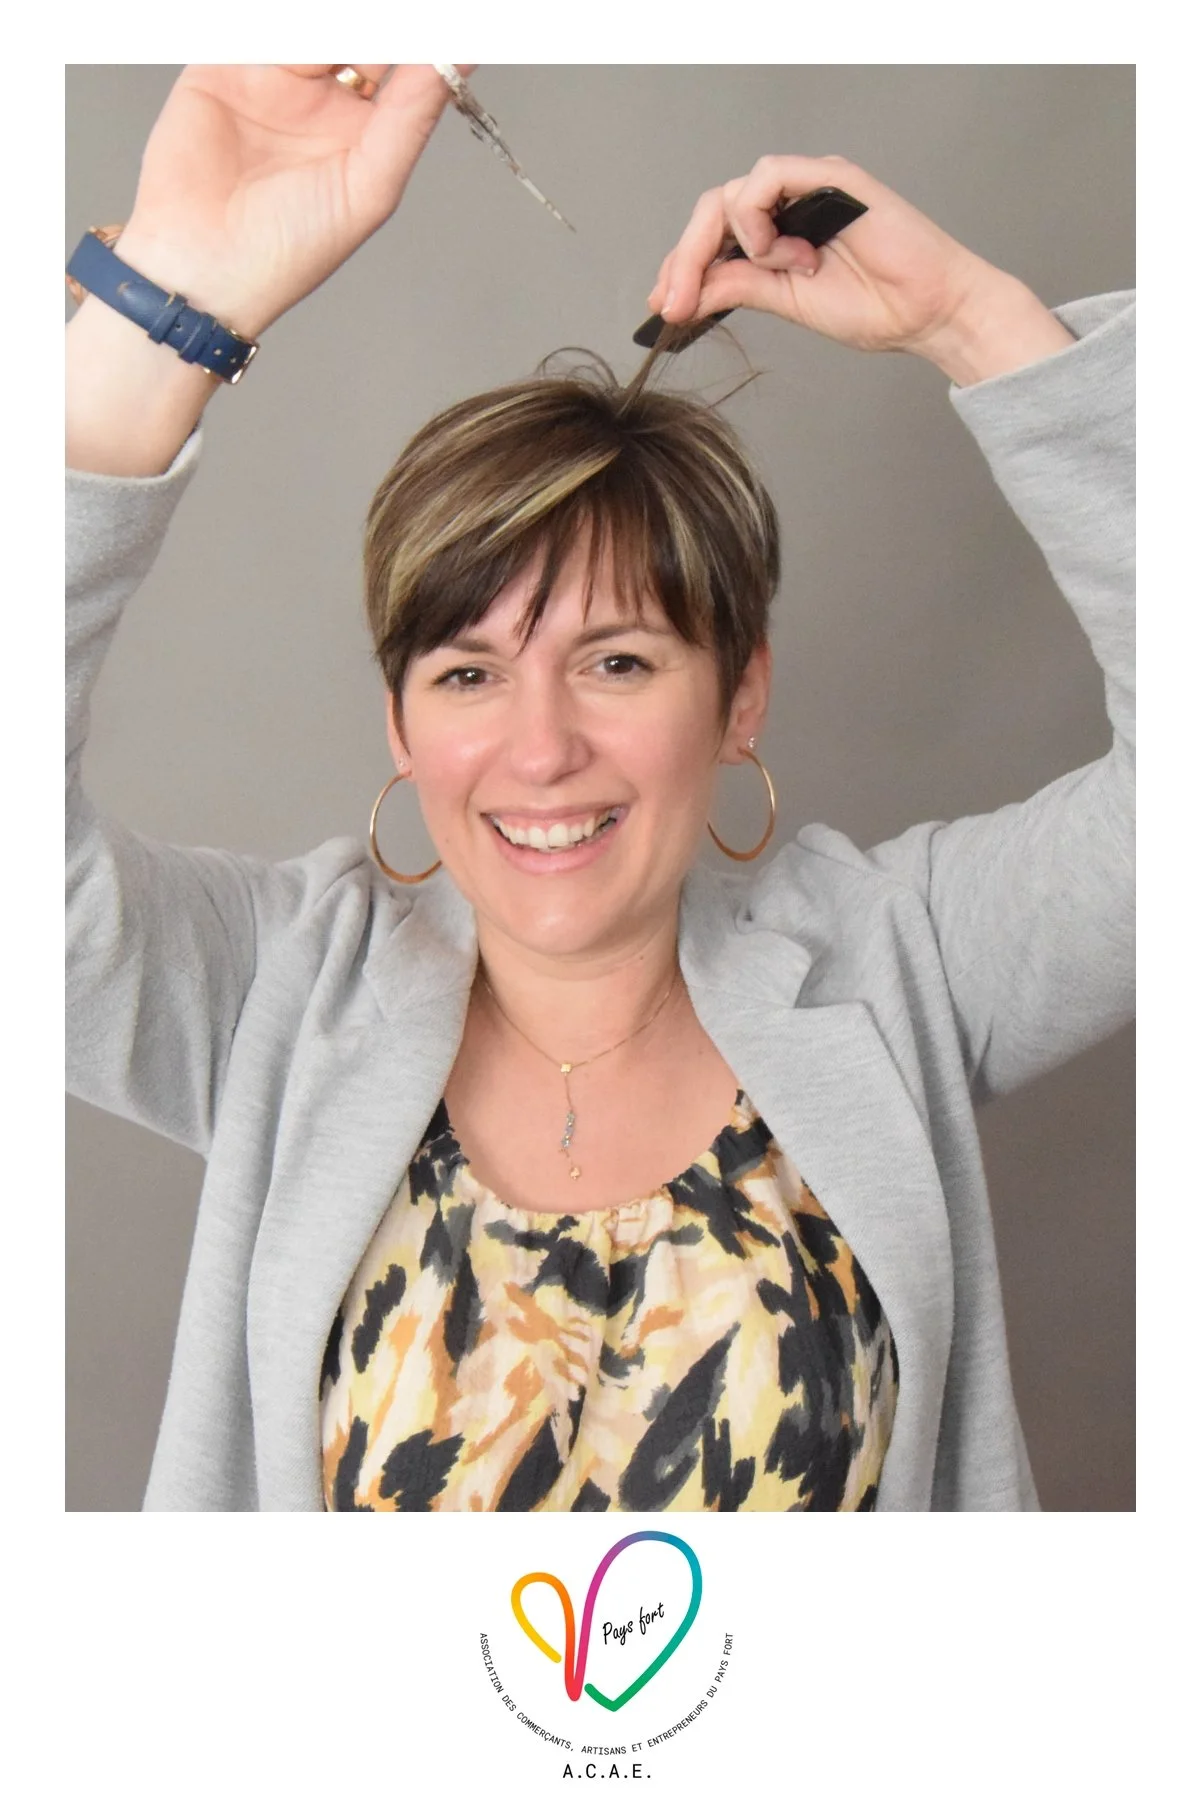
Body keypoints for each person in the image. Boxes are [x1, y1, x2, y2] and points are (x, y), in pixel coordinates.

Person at [66, 64, 1134, 1512]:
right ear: (398, 720)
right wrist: (167, 306)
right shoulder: (272, 999)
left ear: (739, 691)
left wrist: (976, 326)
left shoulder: (908, 963)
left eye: (619, 663)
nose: (541, 745)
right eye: (466, 674)